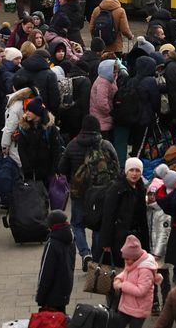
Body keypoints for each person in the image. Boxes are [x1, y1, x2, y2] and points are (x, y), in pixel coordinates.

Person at [58, 115, 120, 268]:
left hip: (78, 192)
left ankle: (85, 253)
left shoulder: (72, 145)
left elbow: (62, 168)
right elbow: (117, 166)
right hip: (101, 192)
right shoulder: (106, 145)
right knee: (98, 224)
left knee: (77, 224)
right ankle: (96, 257)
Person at [101, 158, 150, 263]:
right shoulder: (117, 188)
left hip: (136, 237)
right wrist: (106, 242)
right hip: (119, 237)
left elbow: (142, 217)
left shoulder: (140, 189)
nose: (134, 174)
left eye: (137, 171)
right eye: (131, 170)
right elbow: (108, 216)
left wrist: (146, 243)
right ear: (126, 171)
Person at [112, 235, 160, 328]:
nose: (125, 261)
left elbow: (141, 291)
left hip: (139, 309)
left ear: (136, 258)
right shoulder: (131, 261)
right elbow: (126, 272)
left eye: (127, 259)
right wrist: (119, 278)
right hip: (126, 304)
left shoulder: (146, 270)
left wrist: (122, 285)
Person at [36, 210, 75, 312]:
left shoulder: (52, 244)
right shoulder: (70, 241)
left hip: (52, 294)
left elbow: (46, 272)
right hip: (65, 289)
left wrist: (40, 296)